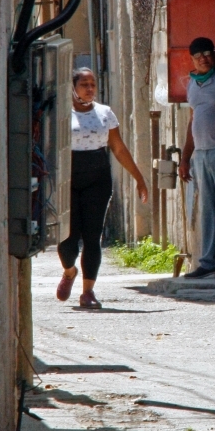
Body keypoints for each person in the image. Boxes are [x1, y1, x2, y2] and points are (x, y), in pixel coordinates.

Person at [56, 68, 148, 308]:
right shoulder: (61, 113)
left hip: (97, 178)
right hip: (68, 180)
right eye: (84, 84)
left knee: (92, 236)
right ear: (73, 88)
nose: (89, 89)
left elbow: (118, 148)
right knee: (67, 238)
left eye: (92, 84)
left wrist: (139, 178)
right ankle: (69, 272)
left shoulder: (105, 113)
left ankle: (88, 292)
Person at [178, 37, 215, 279]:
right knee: (209, 209)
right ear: (192, 60)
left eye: (208, 54)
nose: (204, 59)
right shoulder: (192, 85)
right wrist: (186, 158)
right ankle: (209, 261)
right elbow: (192, 121)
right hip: (202, 154)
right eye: (198, 56)